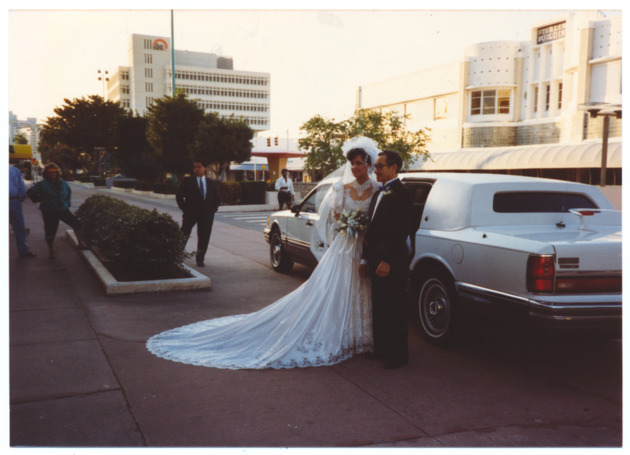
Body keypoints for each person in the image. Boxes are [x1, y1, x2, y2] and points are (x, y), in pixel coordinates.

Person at [147, 136, 381, 369]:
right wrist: (346, 224)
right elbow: (334, 219)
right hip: (344, 247)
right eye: (352, 163)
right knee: (336, 289)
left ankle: (358, 336)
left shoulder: (378, 189)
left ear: (368, 164)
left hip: (363, 247)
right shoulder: (341, 188)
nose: (354, 167)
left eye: (359, 163)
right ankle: (338, 333)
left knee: (360, 289)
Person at [360, 150, 413, 369]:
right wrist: (365, 260)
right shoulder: (377, 194)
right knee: (379, 306)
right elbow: (370, 232)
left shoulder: (402, 194)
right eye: (375, 166)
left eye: (380, 166)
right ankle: (381, 348)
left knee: (395, 308)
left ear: (394, 168)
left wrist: (388, 261)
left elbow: (401, 232)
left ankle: (399, 355)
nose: (376, 170)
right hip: (374, 259)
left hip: (391, 262)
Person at [26, 163, 86, 259]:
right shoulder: (42, 184)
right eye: (50, 172)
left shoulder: (63, 183)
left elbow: (68, 194)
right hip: (49, 210)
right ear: (46, 173)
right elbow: (30, 192)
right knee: (50, 231)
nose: (52, 174)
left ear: (57, 173)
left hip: (62, 209)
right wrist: (39, 199)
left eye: (54, 172)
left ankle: (81, 243)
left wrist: (67, 203)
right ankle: (51, 251)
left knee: (77, 224)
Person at [175, 158, 220, 267]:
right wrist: (185, 209)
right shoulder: (187, 181)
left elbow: (217, 200)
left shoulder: (212, 183)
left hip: (207, 215)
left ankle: (200, 259)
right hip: (190, 213)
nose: (196, 169)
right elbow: (179, 196)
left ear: (205, 168)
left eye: (199, 167)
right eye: (195, 167)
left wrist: (212, 211)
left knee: (204, 237)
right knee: (184, 234)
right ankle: (176, 256)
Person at [9, 165, 36, 258]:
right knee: (19, 227)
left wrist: (21, 196)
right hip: (14, 201)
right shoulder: (13, 169)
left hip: (13, 201)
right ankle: (23, 251)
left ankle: (23, 251)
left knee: (19, 227)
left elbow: (21, 185)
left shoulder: (14, 170)